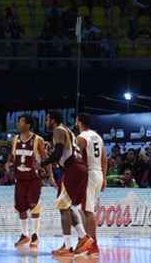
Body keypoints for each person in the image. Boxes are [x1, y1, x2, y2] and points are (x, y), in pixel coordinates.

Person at [33, 110, 93, 257]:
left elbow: (59, 153)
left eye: (47, 120)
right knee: (67, 206)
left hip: (72, 169)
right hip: (78, 169)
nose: (46, 122)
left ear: (53, 120)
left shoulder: (58, 130)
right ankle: (83, 236)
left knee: (63, 207)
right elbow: (61, 152)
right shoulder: (67, 131)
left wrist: (42, 163)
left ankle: (67, 247)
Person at [8, 113, 54, 248]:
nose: (18, 124)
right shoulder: (15, 139)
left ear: (28, 125)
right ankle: (25, 234)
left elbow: (47, 160)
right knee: (20, 207)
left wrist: (50, 175)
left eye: (20, 122)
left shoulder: (38, 140)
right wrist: (8, 163)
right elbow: (12, 156)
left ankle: (35, 235)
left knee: (34, 207)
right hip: (20, 179)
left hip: (33, 179)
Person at [76, 112, 107, 256]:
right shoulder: (97, 136)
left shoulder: (81, 138)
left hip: (88, 174)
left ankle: (93, 244)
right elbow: (105, 160)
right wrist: (104, 178)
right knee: (86, 210)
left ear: (79, 122)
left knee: (88, 211)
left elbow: (77, 161)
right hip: (99, 173)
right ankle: (88, 241)